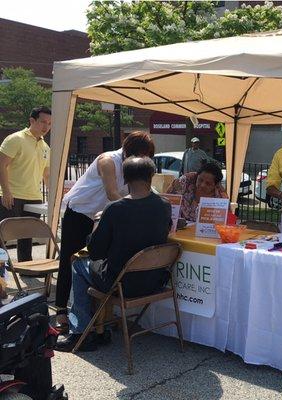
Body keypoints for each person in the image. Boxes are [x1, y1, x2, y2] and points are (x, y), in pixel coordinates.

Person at [56, 156, 172, 351]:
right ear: (151, 177)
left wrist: (96, 223)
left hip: (120, 283)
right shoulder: (164, 205)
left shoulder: (114, 209)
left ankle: (80, 332)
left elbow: (95, 251)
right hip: (155, 281)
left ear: (124, 179)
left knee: (77, 263)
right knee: (102, 266)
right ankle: (100, 326)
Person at [54, 131, 155, 331]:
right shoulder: (108, 161)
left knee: (97, 260)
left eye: (147, 157)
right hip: (80, 211)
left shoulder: (136, 167)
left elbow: (145, 192)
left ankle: (96, 312)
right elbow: (112, 194)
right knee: (70, 259)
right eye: (141, 155)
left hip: (103, 217)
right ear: (128, 151)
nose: (143, 160)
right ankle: (61, 310)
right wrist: (140, 211)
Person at [0, 106, 51, 262]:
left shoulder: (46, 147)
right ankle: (1, 274)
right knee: (2, 237)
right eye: (43, 122)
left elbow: (47, 175)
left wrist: (56, 196)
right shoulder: (15, 139)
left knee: (26, 237)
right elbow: (1, 165)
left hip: (34, 198)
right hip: (12, 195)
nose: (46, 127)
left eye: (49, 123)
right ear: (32, 120)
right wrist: (6, 191)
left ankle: (26, 268)